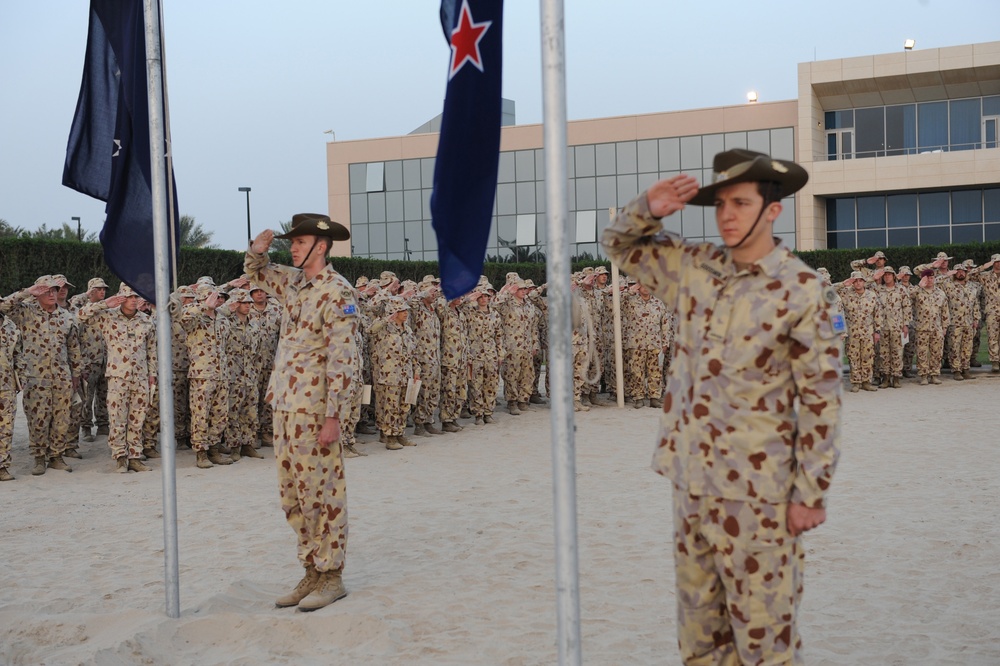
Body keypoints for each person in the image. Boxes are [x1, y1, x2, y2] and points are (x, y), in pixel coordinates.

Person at [602, 149, 843, 665]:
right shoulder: (694, 269)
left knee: (764, 645)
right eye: (720, 205)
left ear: (772, 209)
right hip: (691, 486)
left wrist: (811, 493)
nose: (727, 215)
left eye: (740, 202)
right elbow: (618, 244)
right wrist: (648, 206)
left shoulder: (799, 288)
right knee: (700, 644)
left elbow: (820, 400)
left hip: (759, 498)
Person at [247, 213, 358, 611]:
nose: (291, 248)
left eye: (299, 242)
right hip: (285, 404)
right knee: (292, 495)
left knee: (323, 493)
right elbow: (259, 275)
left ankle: (332, 576)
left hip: (314, 410)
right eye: (291, 242)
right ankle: (311, 570)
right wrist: (256, 252)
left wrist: (334, 416)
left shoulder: (337, 292)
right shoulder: (294, 282)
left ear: (321, 247)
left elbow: (342, 359)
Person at [0, 275, 83, 475]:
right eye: (47, 291)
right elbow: (3, 307)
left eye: (54, 290)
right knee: (38, 418)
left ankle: (56, 456)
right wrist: (28, 291)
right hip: (35, 377)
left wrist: (76, 374)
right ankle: (39, 457)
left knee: (62, 417)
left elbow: (73, 348)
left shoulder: (67, 317)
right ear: (38, 293)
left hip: (61, 376)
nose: (52, 294)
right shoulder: (25, 312)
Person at [77, 284, 157, 473]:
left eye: (136, 297)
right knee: (117, 418)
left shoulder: (146, 321)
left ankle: (135, 456)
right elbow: (80, 315)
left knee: (137, 418)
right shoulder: (108, 316)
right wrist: (104, 304)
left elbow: (152, 349)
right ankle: (120, 457)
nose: (133, 300)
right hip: (117, 377)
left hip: (140, 376)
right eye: (129, 297)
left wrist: (152, 374)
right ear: (121, 297)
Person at [836, 271, 881, 392]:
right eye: (855, 281)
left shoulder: (872, 295)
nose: (858, 283)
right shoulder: (845, 294)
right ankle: (856, 382)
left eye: (860, 280)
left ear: (864, 282)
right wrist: (843, 284)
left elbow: (877, 314)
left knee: (868, 357)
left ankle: (866, 382)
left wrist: (877, 331)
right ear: (852, 282)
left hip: (868, 332)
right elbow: (830, 290)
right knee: (853, 357)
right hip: (852, 332)